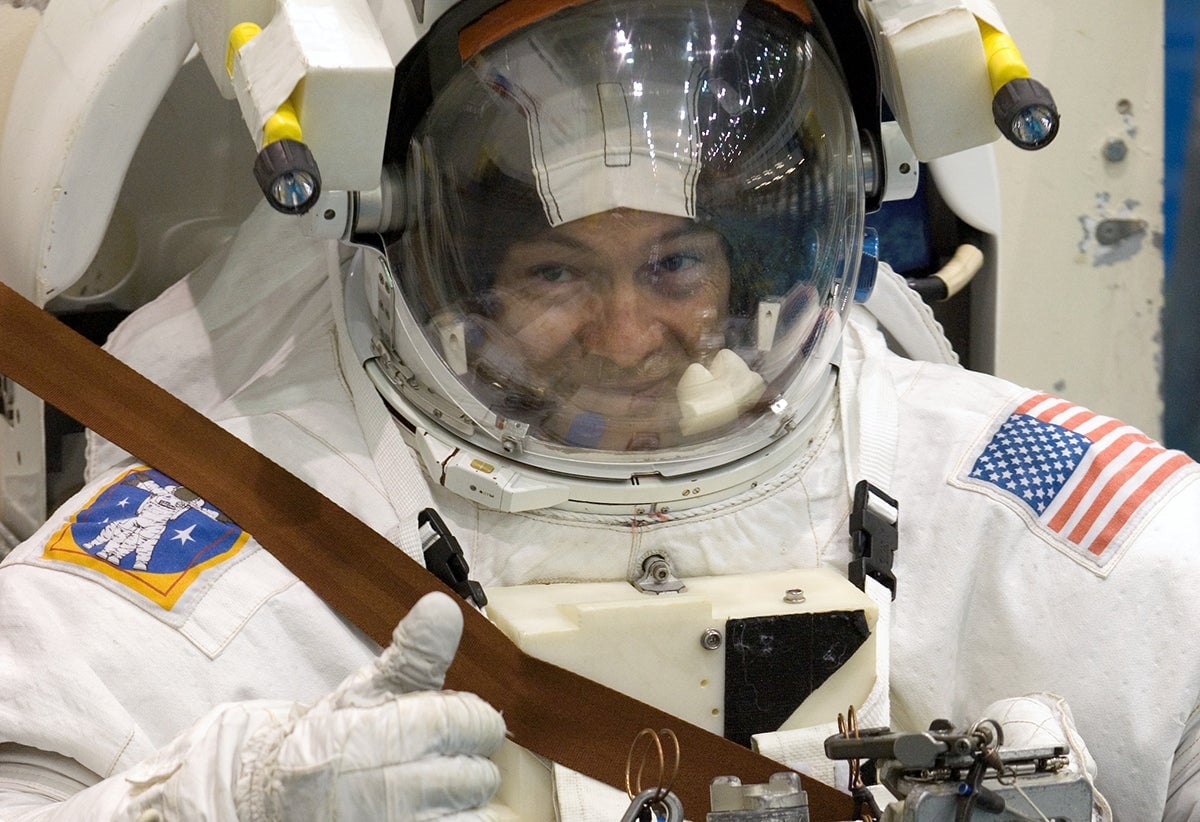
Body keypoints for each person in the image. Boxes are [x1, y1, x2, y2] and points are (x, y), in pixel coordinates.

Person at [0, 0, 1198, 819]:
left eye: (675, 265)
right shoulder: (265, 527)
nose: (628, 339)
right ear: (440, 268)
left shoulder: (989, 489)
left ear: (756, 260)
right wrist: (210, 797)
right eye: (557, 275)